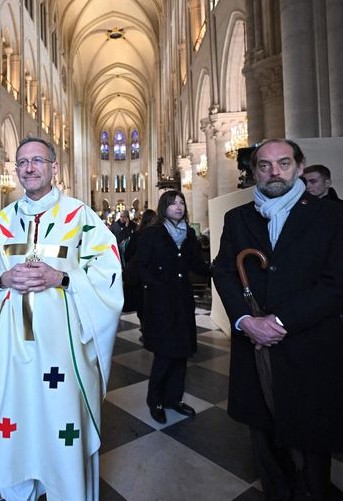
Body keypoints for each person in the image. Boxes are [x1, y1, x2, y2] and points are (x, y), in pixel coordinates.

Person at [0, 137, 123, 501]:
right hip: (10, 352)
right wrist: (2, 278)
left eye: (37, 160)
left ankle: (66, 490)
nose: (29, 168)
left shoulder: (80, 217)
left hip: (61, 353)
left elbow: (109, 273)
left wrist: (62, 277)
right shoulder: (3, 221)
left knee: (62, 428)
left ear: (54, 168)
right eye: (22, 162)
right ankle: (19, 492)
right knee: (13, 423)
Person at [212, 139, 343, 500]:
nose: (274, 172)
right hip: (255, 348)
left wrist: (280, 321)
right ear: (254, 171)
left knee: (312, 443)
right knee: (265, 439)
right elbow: (223, 271)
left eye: (284, 163)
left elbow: (336, 283)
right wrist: (244, 320)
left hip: (308, 346)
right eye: (265, 165)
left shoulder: (331, 216)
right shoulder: (237, 218)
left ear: (300, 167)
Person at [129, 191, 209, 424]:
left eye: (181, 202)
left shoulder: (189, 234)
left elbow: (196, 264)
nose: (178, 206)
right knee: (164, 354)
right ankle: (155, 401)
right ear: (164, 207)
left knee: (182, 352)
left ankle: (175, 398)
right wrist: (155, 284)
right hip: (161, 302)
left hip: (182, 301)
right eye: (173, 203)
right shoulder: (152, 234)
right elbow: (138, 266)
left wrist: (218, 268)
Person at [122, 209, 157, 318]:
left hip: (142, 275)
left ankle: (146, 328)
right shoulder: (153, 235)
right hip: (145, 275)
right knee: (146, 302)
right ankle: (147, 329)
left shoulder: (137, 234)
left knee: (143, 303)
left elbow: (127, 254)